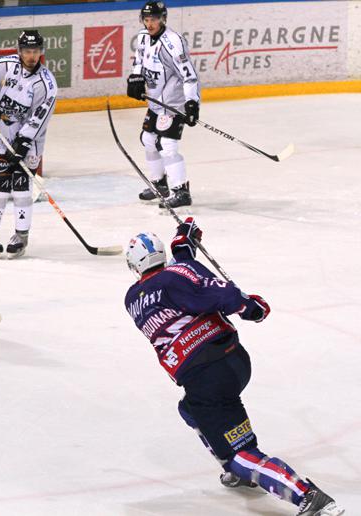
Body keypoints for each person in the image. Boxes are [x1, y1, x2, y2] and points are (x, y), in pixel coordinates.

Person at [123, 219, 345, 516]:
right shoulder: (176, 275)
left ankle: (306, 496)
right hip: (233, 361)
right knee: (190, 409)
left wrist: (184, 249)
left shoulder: (132, 298)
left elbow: (181, 284)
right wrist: (249, 306)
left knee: (238, 455)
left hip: (204, 375)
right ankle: (240, 469)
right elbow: (208, 289)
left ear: (134, 266)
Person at [0, 29, 57, 259]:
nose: (32, 56)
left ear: (41, 51)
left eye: (36, 51)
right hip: (0, 137)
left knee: (22, 190)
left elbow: (40, 117)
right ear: (19, 51)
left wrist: (23, 140)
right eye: (27, 51)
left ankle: (21, 236)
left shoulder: (46, 84)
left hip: (29, 143)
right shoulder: (2, 66)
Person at [127, 1, 200, 209]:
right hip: (156, 103)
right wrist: (135, 78)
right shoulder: (142, 37)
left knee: (168, 146)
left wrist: (192, 103)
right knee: (148, 140)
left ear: (163, 19)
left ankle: (181, 191)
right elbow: (139, 61)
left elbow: (189, 76)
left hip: (174, 103)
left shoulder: (173, 43)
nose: (150, 24)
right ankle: (160, 185)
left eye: (154, 19)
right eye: (147, 20)